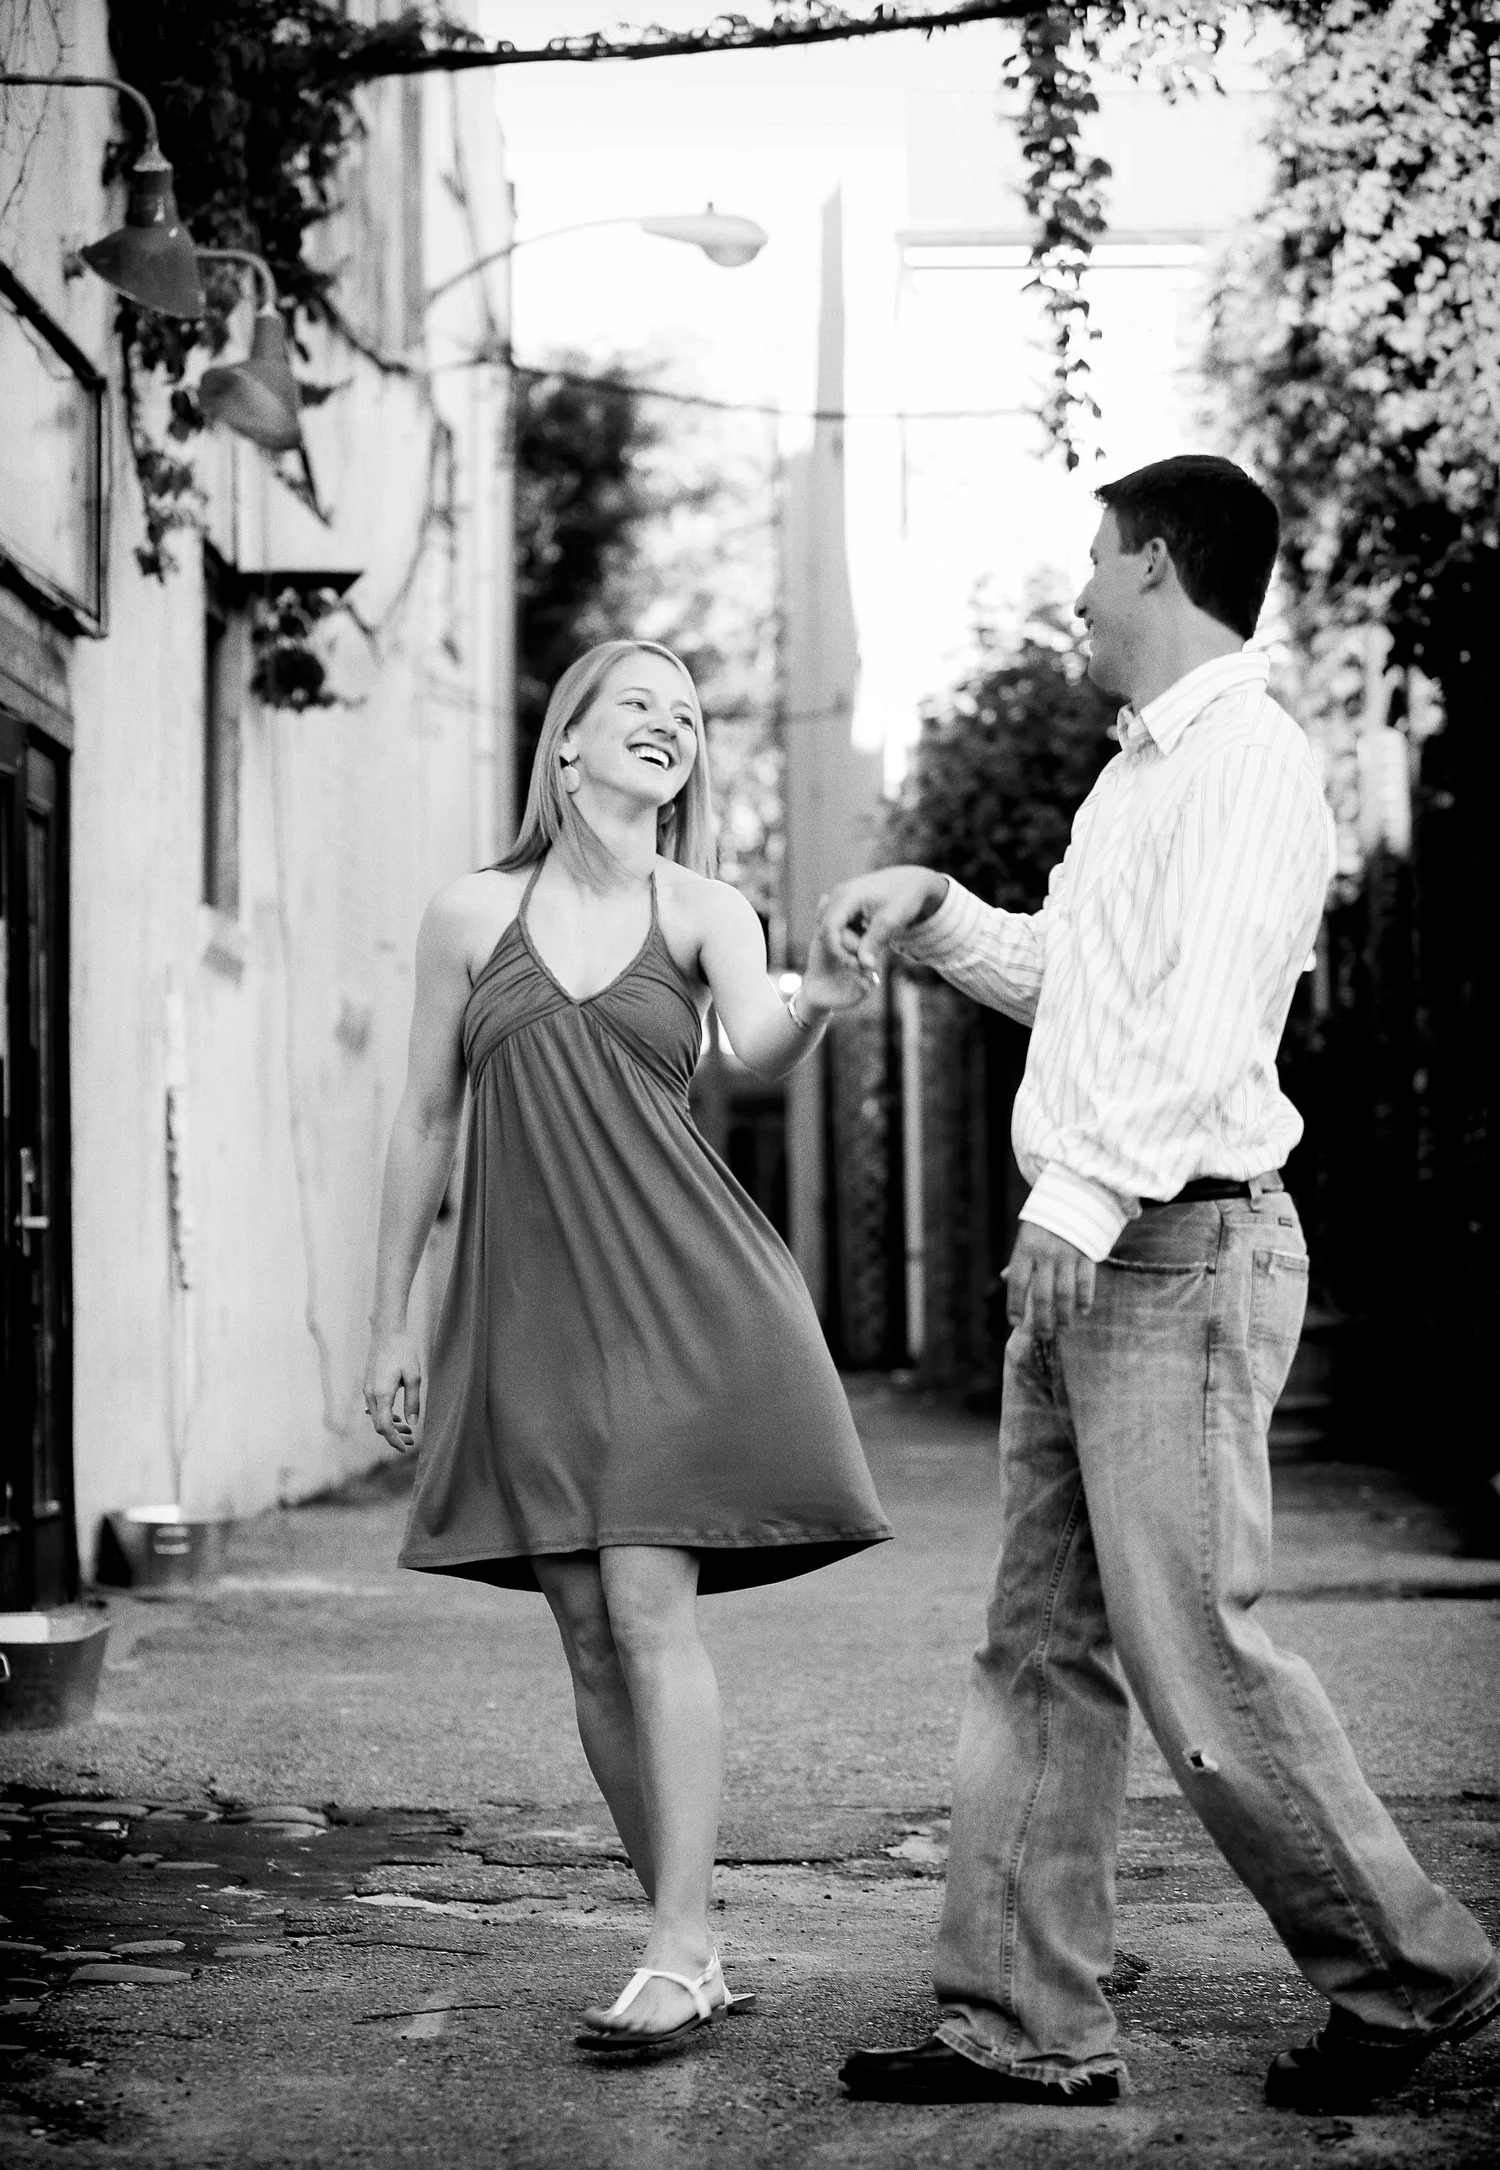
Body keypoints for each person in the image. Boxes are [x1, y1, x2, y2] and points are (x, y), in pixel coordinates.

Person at [820, 456, 1499, 2114]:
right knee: (1037, 1646)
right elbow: (1085, 985)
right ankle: (1026, 2021)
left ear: (1160, 568)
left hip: (1175, 1245)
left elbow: (1204, 1033)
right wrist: (938, 914)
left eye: (1096, 563)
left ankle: (1412, 1976)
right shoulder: (1134, 780)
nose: (1077, 595)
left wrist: (1075, 1196)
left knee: (1194, 1646)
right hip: (1106, 1245)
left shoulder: (1252, 763)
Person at [362, 637, 891, 2057]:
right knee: (588, 1635)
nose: (669, 724)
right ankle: (691, 1931)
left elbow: (762, 1038)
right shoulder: (470, 914)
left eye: (688, 714)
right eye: (637, 704)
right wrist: (391, 1318)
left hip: (680, 1294)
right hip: (526, 1313)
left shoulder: (707, 906)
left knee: (648, 1604)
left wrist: (827, 995)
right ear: (571, 740)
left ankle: (677, 1943)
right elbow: (423, 1121)